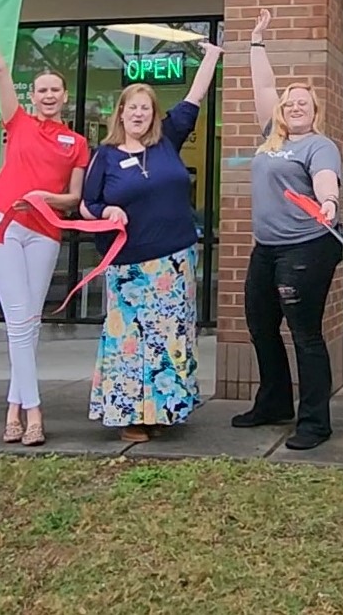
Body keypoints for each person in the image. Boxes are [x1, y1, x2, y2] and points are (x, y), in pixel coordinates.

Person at [0, 0, 90, 448]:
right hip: (4, 226)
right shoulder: (18, 122)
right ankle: (33, 412)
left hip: (45, 231)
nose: (48, 95)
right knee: (17, 320)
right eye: (41, 90)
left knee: (30, 321)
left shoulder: (77, 142)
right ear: (33, 95)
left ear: (64, 96)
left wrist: (47, 197)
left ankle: (13, 406)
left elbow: (73, 198)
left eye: (55, 90)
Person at [79, 43, 222, 442]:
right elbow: (87, 205)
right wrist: (108, 210)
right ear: (121, 113)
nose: (139, 114)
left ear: (154, 114)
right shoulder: (105, 156)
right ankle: (130, 415)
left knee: (170, 337)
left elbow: (194, 96)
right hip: (128, 265)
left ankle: (163, 411)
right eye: (132, 107)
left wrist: (212, 56)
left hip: (175, 261)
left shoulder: (167, 141)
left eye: (146, 108)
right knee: (130, 341)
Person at [231, 8, 343, 452]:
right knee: (261, 324)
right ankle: (274, 402)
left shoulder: (319, 145)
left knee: (304, 331)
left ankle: (315, 422)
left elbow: (326, 180)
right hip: (267, 248)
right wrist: (257, 41)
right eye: (290, 102)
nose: (295, 106)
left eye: (303, 103)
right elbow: (263, 86)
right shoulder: (271, 137)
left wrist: (329, 203)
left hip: (308, 246)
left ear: (315, 112)